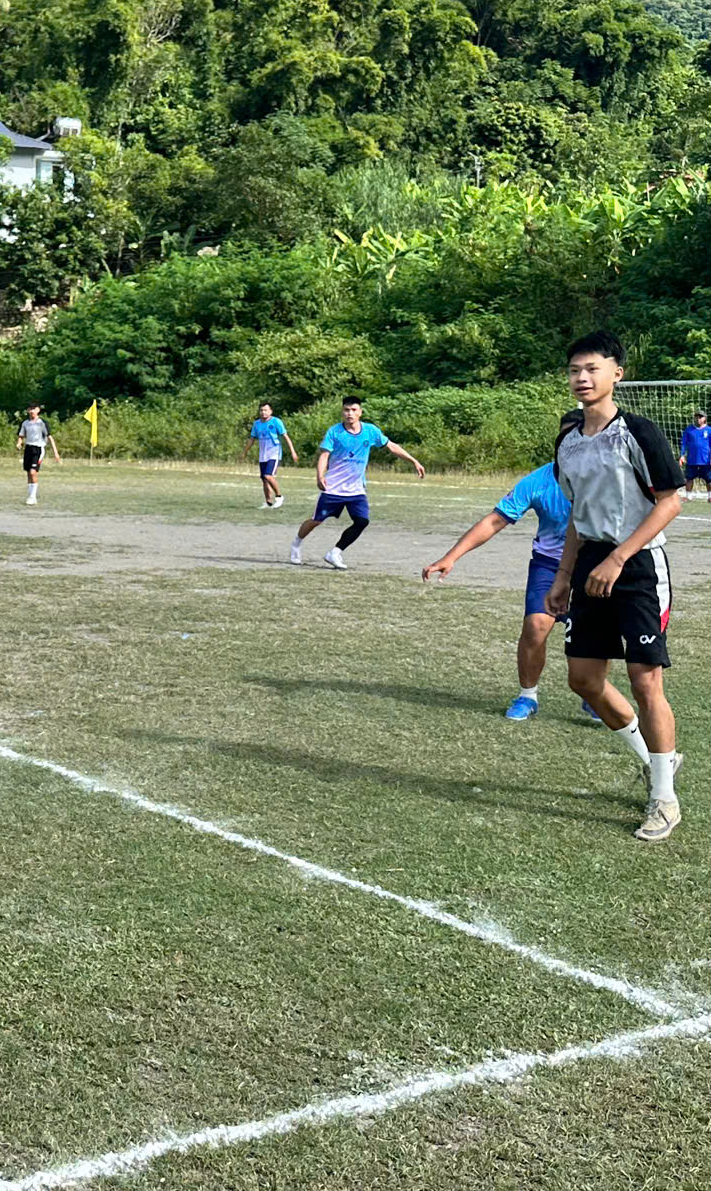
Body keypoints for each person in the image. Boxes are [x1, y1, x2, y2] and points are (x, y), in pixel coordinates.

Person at [545, 330, 688, 842]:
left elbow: (671, 501)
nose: (582, 378)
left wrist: (620, 557)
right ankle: (655, 760)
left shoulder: (639, 432)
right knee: (583, 680)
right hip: (590, 564)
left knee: (645, 681)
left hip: (639, 565)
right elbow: (577, 515)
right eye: (574, 370)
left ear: (617, 373)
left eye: (592, 369)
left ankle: (664, 799)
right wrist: (564, 575)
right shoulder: (567, 440)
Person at [421, 462, 569, 718]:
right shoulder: (539, 481)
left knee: (591, 633)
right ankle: (528, 696)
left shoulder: (605, 475)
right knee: (535, 625)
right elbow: (495, 520)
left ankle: (594, 693)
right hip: (549, 564)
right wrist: (451, 557)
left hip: (593, 564)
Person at [290, 397, 423, 569]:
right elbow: (324, 455)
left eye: (353, 410)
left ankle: (335, 553)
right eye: (346, 410)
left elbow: (391, 446)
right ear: (342, 412)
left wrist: (414, 461)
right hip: (333, 488)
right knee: (316, 521)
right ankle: (296, 543)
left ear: (360, 412)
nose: (350, 413)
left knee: (362, 521)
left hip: (356, 489)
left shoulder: (370, 431)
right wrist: (320, 476)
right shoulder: (335, 432)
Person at [246, 401, 296, 508]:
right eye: (261, 410)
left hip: (274, 453)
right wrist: (245, 452)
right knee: (264, 479)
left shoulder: (276, 422)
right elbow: (252, 439)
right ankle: (268, 502)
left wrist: (293, 451)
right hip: (263, 454)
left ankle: (279, 496)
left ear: (271, 411)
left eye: (265, 410)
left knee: (268, 476)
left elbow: (286, 437)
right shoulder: (256, 424)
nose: (263, 412)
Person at [19, 404, 59, 505]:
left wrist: (56, 453)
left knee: (33, 472)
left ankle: (33, 497)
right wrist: (19, 443)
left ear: (38, 410)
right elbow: (21, 435)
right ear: (27, 410)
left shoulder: (42, 423)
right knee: (29, 473)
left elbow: (49, 437)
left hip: (38, 449)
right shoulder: (25, 423)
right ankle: (30, 496)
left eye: (34, 409)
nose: (32, 411)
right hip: (28, 448)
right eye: (30, 409)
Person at [679, 409, 711, 503]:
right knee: (689, 478)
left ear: (704, 418)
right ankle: (688, 496)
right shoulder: (689, 430)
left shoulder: (709, 430)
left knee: (709, 479)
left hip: (705, 460)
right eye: (696, 417)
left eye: (700, 417)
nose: (698, 419)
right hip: (691, 460)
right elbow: (684, 443)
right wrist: (682, 455)